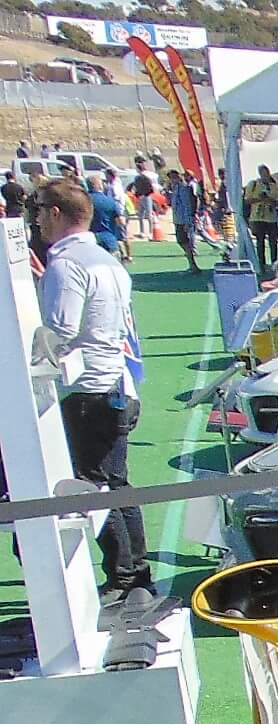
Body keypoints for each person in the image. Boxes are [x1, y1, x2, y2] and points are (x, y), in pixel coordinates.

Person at [32, 178, 151, 602]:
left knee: (95, 486)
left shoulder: (67, 264)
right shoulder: (104, 259)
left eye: (41, 209)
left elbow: (60, 330)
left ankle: (124, 578)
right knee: (116, 484)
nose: (37, 219)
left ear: (57, 213)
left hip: (88, 390)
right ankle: (135, 571)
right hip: (114, 382)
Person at [244, 164, 278, 274]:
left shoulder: (273, 186)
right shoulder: (253, 184)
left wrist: (270, 199)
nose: (265, 174)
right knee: (260, 242)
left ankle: (274, 265)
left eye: (267, 172)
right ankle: (261, 265)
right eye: (263, 172)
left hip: (271, 218)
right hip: (257, 217)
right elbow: (247, 201)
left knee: (273, 243)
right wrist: (259, 198)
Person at [166, 166, 201, 271]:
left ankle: (193, 265)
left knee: (185, 241)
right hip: (178, 220)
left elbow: (186, 206)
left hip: (183, 220)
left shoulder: (183, 189)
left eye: (173, 178)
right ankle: (191, 263)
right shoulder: (175, 189)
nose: (172, 180)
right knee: (181, 241)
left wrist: (187, 222)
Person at [87, 170, 125, 258]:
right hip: (109, 240)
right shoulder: (110, 202)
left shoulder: (84, 201)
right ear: (100, 185)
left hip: (89, 241)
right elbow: (121, 222)